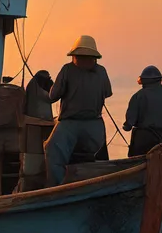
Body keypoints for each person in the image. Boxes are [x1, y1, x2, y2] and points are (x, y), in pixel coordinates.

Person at [44, 36, 112, 186]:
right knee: (100, 159)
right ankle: (100, 185)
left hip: (70, 125)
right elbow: (107, 92)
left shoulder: (67, 69)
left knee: (52, 150)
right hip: (95, 126)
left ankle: (57, 189)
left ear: (75, 56)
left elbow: (52, 96)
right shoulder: (102, 71)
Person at [123, 66, 162, 157]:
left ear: (143, 81)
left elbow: (129, 123)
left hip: (141, 141)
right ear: (159, 80)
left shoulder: (137, 96)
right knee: (161, 166)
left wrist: (126, 126)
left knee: (136, 163)